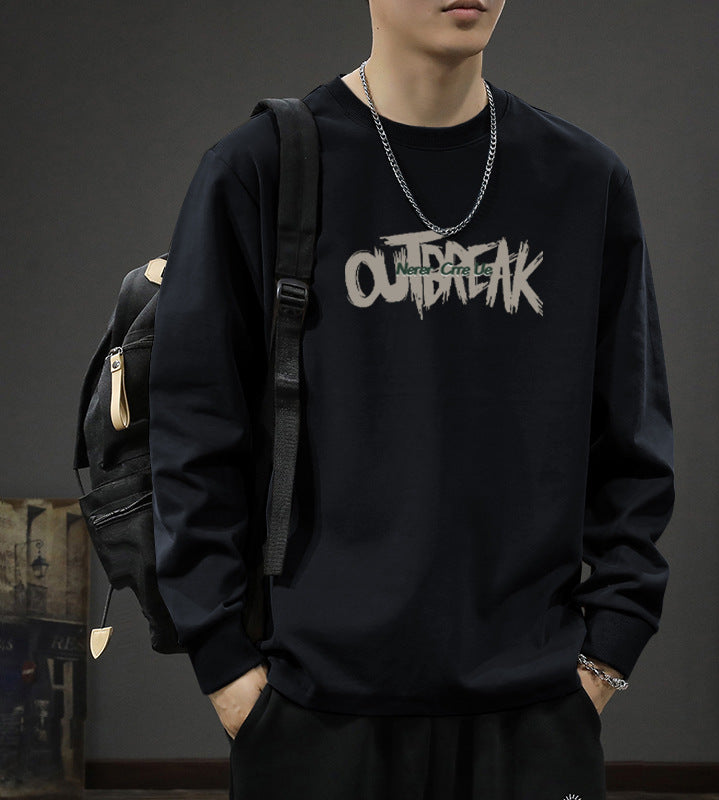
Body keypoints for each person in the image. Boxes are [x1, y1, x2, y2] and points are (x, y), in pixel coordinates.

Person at [148, 0, 675, 798]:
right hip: (314, 711)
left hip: (532, 711)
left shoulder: (582, 180)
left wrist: (608, 653)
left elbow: (633, 435)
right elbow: (192, 430)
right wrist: (225, 667)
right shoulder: (261, 168)